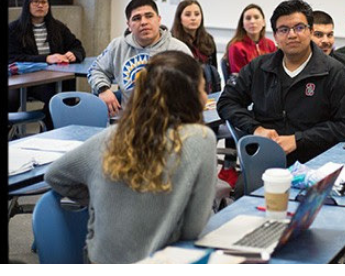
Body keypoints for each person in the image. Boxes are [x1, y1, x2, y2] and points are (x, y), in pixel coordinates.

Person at [46, 51, 217, 263]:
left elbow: (55, 175)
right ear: (188, 94)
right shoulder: (200, 139)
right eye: (202, 88)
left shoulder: (111, 136)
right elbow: (194, 229)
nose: (205, 96)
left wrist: (102, 201)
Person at [217, 0, 345, 166]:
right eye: (284, 30)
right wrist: (255, 129)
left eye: (299, 28)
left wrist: (298, 140)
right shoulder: (259, 68)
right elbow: (227, 101)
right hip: (267, 161)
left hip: (316, 162)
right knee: (246, 191)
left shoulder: (333, 71)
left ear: (310, 31)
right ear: (276, 36)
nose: (292, 35)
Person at [88, 0, 192, 116]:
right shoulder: (117, 46)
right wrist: (103, 89)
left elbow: (192, 87)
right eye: (136, 18)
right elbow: (95, 70)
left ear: (158, 19)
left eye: (149, 16)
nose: (143, 22)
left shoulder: (178, 50)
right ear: (129, 25)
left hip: (169, 121)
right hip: (130, 122)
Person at [8, 0, 86, 129]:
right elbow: (13, 58)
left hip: (50, 80)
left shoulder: (58, 27)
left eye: (44, 2)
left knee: (59, 99)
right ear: (27, 4)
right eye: (36, 1)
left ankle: (47, 134)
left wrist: (74, 54)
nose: (40, 5)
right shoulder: (14, 29)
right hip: (24, 79)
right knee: (10, 99)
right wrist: (46, 59)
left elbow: (78, 46)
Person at [171, 0, 221, 93]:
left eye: (197, 14)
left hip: (207, 89)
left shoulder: (208, 40)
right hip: (182, 90)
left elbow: (214, 70)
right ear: (179, 18)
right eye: (188, 14)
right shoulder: (173, 41)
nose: (193, 18)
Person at [224, 3, 277, 76]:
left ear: (263, 22)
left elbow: (276, 70)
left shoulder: (270, 44)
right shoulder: (236, 47)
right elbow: (240, 78)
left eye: (256, 17)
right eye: (248, 18)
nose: (252, 21)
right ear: (242, 24)